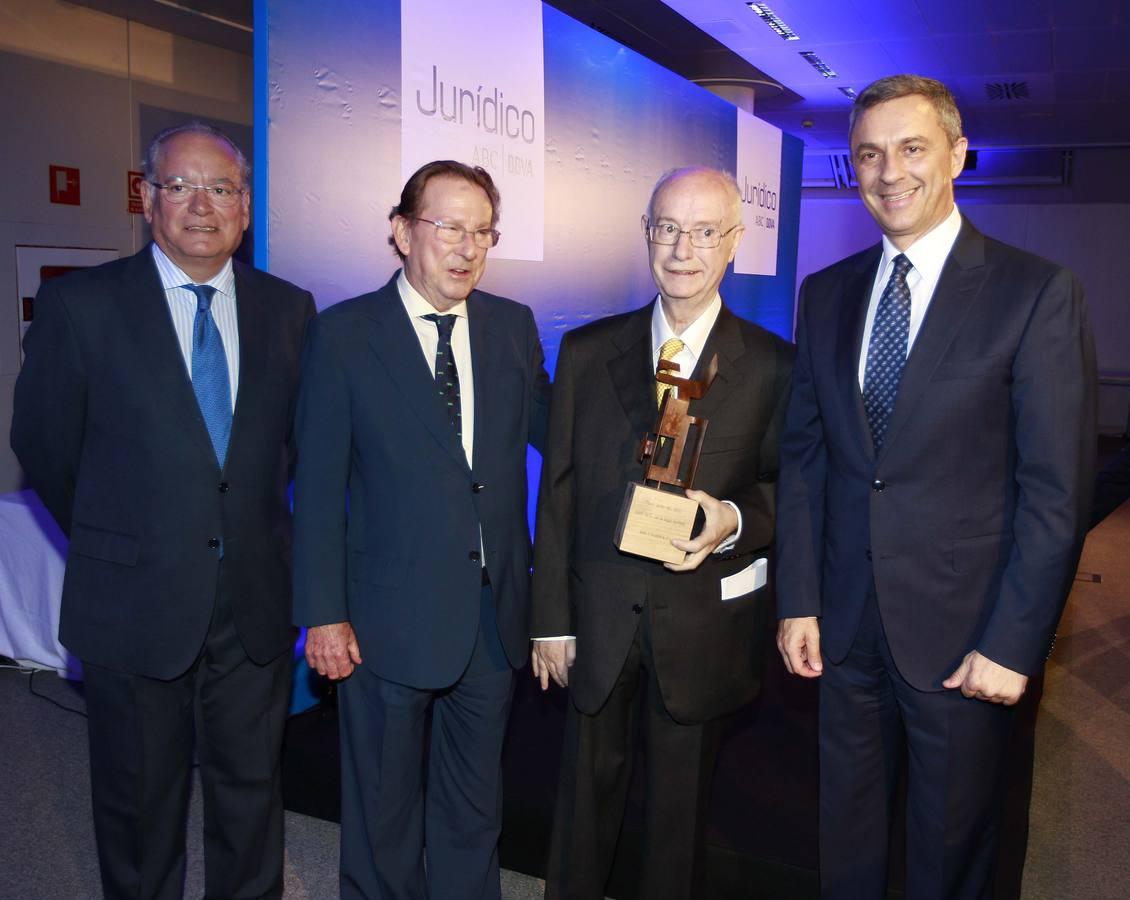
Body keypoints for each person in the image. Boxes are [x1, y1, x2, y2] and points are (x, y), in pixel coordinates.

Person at [774, 74, 1097, 899]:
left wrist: (1014, 644)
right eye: (869, 154)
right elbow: (806, 460)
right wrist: (798, 599)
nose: (890, 172)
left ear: (956, 153)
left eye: (911, 148)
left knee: (948, 853)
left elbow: (1055, 492)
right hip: (844, 631)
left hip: (967, 641)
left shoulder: (1035, 293)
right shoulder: (827, 293)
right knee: (845, 843)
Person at [11, 121, 315, 899]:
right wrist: (128, 533)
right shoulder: (81, 304)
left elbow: (297, 450)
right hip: (133, 603)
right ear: (148, 199)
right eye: (180, 185)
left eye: (221, 188)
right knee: (138, 808)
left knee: (251, 800)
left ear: (245, 208)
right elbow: (44, 445)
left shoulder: (289, 310)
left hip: (252, 603)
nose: (202, 205)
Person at [531, 166, 794, 899]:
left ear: (735, 242)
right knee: (581, 818)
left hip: (702, 624)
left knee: (677, 831)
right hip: (598, 617)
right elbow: (558, 493)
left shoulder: (775, 366)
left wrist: (733, 519)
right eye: (668, 228)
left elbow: (786, 490)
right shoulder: (586, 352)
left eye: (705, 231)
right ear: (647, 234)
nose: (684, 248)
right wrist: (549, 619)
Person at [292, 160, 551, 900]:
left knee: (475, 807)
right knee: (383, 807)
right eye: (448, 228)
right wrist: (324, 613)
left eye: (482, 232)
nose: (467, 247)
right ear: (402, 232)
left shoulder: (510, 326)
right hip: (383, 617)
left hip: (491, 616)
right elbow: (317, 487)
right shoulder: (344, 335)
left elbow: (557, 431)